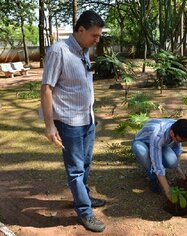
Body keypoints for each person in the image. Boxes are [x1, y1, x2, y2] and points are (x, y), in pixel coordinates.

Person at [40, 10, 106, 232]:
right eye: (94, 35)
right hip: (69, 122)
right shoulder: (59, 51)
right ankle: (85, 211)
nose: (97, 40)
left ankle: (83, 196)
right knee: (76, 169)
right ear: (80, 30)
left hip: (87, 118)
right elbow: (47, 88)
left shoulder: (83, 50)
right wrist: (50, 126)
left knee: (85, 164)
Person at [132, 118, 187, 201]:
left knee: (173, 162)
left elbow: (177, 147)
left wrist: (178, 167)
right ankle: (153, 178)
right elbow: (158, 166)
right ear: (172, 133)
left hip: (158, 144)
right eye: (178, 140)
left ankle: (156, 169)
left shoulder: (179, 126)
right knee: (142, 152)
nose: (179, 142)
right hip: (142, 142)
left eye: (182, 140)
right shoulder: (158, 135)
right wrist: (168, 191)